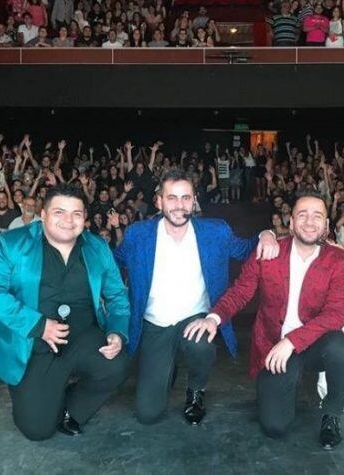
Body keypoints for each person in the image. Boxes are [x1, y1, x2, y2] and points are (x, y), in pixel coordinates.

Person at [113, 168, 279, 426]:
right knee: (148, 414)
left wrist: (265, 234)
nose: (179, 205)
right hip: (155, 323)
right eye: (172, 198)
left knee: (201, 345)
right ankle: (167, 367)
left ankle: (196, 390)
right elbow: (114, 261)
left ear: (194, 201)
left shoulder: (215, 232)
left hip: (196, 318)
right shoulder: (138, 234)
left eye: (186, 198)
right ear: (158, 201)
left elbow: (247, 249)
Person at [188, 192, 344, 449]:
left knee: (341, 348)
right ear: (290, 223)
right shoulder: (268, 252)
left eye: (317, 216)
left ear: (326, 225)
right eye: (302, 215)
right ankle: (283, 390)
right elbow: (240, 292)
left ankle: (332, 412)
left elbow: (335, 315)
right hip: (274, 348)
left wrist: (291, 341)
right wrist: (213, 318)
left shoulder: (340, 260)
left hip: (316, 344)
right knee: (275, 427)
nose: (310, 222)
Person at [0, 183, 130, 441]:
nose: (68, 221)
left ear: (85, 218)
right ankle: (42, 393)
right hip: (32, 342)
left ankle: (71, 410)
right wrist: (39, 325)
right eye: (59, 212)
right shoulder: (12, 243)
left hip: (82, 336)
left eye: (77, 214)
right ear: (44, 215)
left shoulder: (97, 247)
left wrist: (117, 331)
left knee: (116, 364)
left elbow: (116, 295)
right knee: (37, 430)